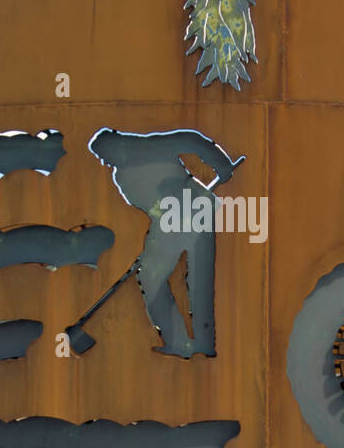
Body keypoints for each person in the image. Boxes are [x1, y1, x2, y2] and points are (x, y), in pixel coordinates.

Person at [89, 128, 239, 357]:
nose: (104, 161)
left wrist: (222, 164)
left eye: (103, 155)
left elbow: (190, 139)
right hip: (174, 219)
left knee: (187, 278)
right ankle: (187, 343)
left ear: (116, 146)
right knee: (172, 277)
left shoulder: (145, 148)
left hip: (193, 211)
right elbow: (151, 206)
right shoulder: (121, 174)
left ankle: (196, 343)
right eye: (100, 158)